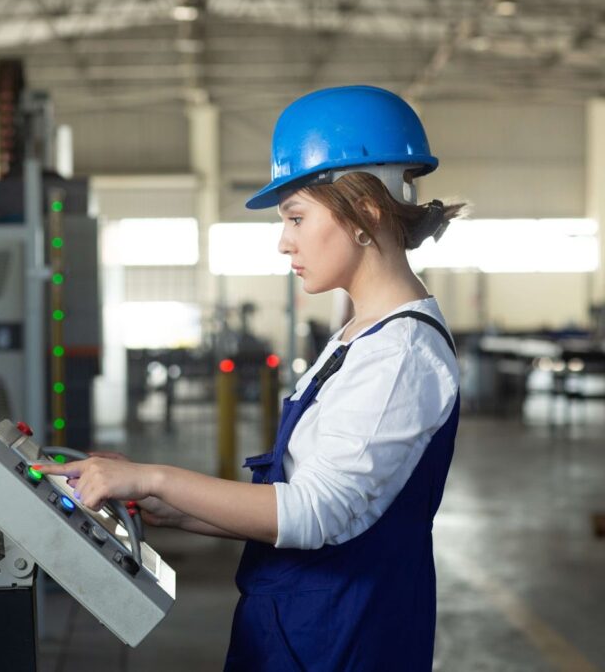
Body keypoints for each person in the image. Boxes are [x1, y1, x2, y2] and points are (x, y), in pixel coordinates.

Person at [34, 85, 467, 670]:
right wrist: (171, 504)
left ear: (365, 211)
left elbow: (315, 513)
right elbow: (295, 496)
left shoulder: (400, 354)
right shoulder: (358, 335)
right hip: (300, 625)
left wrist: (157, 477)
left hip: (342, 640)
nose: (284, 240)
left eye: (295, 216)